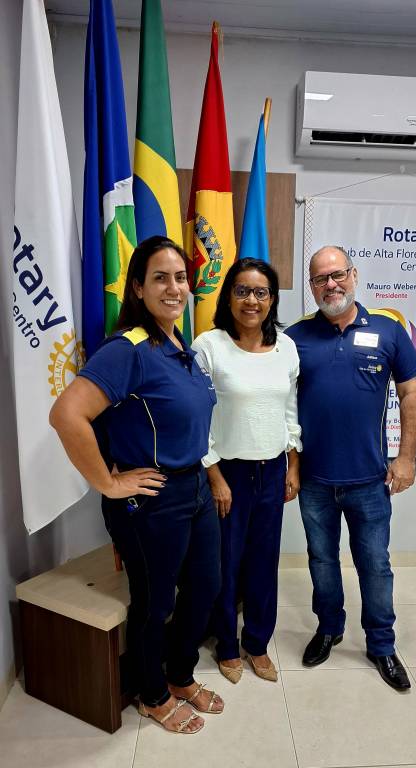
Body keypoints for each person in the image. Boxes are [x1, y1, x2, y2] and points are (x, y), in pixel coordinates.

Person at [49, 236, 223, 734]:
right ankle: (152, 694)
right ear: (138, 288)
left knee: (206, 587)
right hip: (152, 499)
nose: (174, 288)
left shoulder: (180, 346)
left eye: (181, 278)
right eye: (160, 278)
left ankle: (180, 674)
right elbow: (67, 415)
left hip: (194, 488)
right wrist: (108, 482)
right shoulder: (127, 349)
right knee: (155, 602)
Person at [285, 245, 416, 691]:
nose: (331, 285)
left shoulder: (388, 329)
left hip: (369, 480)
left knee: (375, 565)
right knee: (322, 560)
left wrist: (406, 457)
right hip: (314, 482)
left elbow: (411, 393)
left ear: (354, 274)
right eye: (320, 279)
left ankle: (381, 645)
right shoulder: (295, 337)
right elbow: (281, 404)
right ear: (312, 287)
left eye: (338, 274)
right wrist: (291, 464)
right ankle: (329, 628)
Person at [192, 258, 301, 684]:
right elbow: (198, 417)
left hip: (273, 471)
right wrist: (214, 475)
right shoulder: (209, 346)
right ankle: (226, 645)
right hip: (228, 474)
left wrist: (293, 463)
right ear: (228, 297)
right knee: (226, 564)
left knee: (263, 563)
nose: (251, 300)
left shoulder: (286, 347)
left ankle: (257, 643)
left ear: (272, 300)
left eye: (260, 292)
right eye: (242, 291)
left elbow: (289, 409)